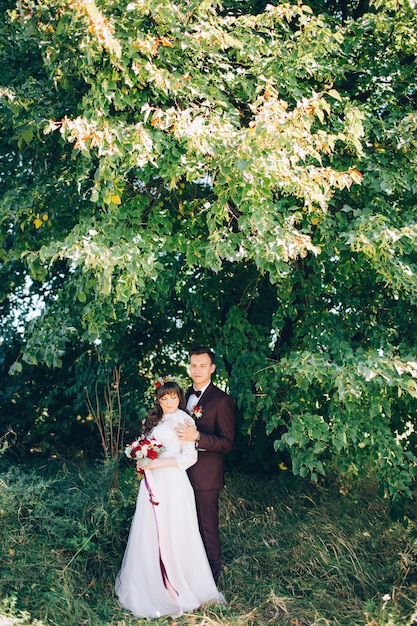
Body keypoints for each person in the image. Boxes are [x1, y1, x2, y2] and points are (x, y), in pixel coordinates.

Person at [115, 381, 225, 619]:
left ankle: (178, 586)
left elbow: (189, 458)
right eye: (164, 398)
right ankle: (150, 584)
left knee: (176, 531)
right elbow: (146, 446)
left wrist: (156, 463)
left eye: (173, 397)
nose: (168, 402)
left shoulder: (184, 421)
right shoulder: (152, 421)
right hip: (153, 483)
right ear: (159, 400)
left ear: (179, 398)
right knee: (150, 531)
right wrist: (142, 458)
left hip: (174, 483)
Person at [176, 346, 235, 582]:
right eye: (193, 365)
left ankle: (212, 579)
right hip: (178, 473)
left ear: (212, 368)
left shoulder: (222, 400)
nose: (197, 370)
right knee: (183, 524)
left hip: (206, 476)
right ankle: (186, 573)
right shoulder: (180, 397)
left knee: (207, 527)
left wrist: (198, 437)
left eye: (202, 365)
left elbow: (227, 442)